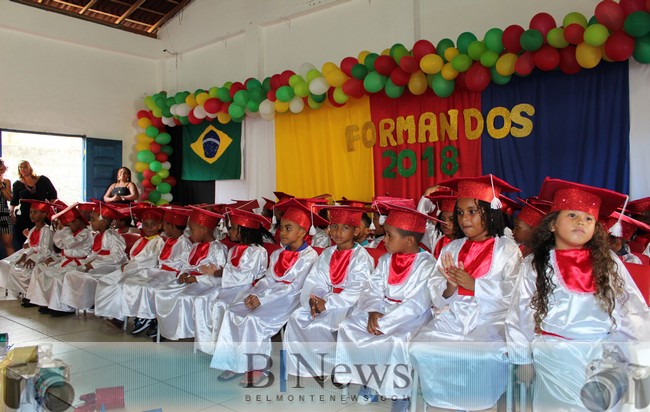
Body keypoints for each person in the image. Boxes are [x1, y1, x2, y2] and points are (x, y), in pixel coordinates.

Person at [505, 178, 650, 411]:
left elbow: (630, 309)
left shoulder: (609, 263)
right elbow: (521, 312)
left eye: (588, 218)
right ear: (552, 224)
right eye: (572, 215)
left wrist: (634, 354)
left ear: (596, 229)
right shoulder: (537, 264)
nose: (581, 221)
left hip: (602, 356)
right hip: (555, 357)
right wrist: (523, 358)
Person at [409, 174, 522, 412]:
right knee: (421, 345)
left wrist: (475, 285)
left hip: (491, 318)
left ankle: (476, 402)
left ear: (490, 212)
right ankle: (444, 399)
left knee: (479, 353)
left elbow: (515, 293)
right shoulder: (452, 247)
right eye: (460, 213)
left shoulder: (507, 249)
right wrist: (449, 286)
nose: (464, 219)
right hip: (456, 313)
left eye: (472, 211)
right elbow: (437, 287)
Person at [334, 203, 436, 412]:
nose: (384, 240)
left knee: (397, 341)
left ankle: (401, 394)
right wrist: (372, 312)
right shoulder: (385, 259)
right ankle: (369, 382)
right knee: (349, 327)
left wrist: (385, 321)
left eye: (389, 235)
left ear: (409, 240)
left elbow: (417, 303)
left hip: (410, 317)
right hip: (379, 309)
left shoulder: (426, 264)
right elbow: (372, 289)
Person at [210, 198, 322, 386]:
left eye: (288, 228)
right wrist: (255, 295)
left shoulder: (309, 256)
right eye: (281, 227)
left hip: (289, 299)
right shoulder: (278, 253)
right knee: (233, 312)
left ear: (303, 232)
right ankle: (233, 361)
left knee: (255, 320)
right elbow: (268, 279)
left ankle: (258, 367)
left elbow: (294, 287)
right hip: (268, 295)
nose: (281, 232)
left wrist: (263, 299)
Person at [284, 205, 375, 380]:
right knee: (297, 317)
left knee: (331, 324)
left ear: (355, 231)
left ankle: (338, 366)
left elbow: (357, 288)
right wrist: (315, 299)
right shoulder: (327, 253)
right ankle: (314, 364)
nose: (338, 232)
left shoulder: (361, 257)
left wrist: (328, 303)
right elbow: (316, 279)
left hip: (350, 303)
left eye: (345, 228)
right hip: (325, 299)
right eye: (334, 226)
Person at [194, 208, 271, 355]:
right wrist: (218, 271)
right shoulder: (234, 249)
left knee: (219, 304)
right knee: (202, 299)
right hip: (229, 286)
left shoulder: (258, 251)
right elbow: (230, 269)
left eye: (234, 228)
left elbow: (246, 275)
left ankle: (221, 349)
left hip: (245, 288)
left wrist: (218, 272)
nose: (229, 231)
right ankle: (206, 345)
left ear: (245, 231)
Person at [153, 206, 228, 341]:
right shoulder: (194, 246)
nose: (189, 234)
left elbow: (220, 276)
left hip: (208, 284)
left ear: (204, 229)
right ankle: (168, 328)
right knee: (161, 292)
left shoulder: (218, 249)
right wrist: (184, 273)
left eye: (192, 230)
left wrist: (197, 279)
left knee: (183, 298)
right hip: (191, 281)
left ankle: (185, 330)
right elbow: (188, 265)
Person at [120, 206, 193, 337]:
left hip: (173, 275)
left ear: (171, 226)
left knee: (147, 286)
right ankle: (141, 314)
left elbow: (185, 265)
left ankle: (148, 317)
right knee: (132, 281)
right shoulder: (169, 240)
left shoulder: (184, 243)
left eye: (165, 224)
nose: (163, 227)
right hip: (161, 271)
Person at [94, 205, 165, 322]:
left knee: (120, 284)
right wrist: (126, 264)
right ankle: (109, 312)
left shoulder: (158, 242)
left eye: (152, 224)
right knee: (106, 280)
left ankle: (119, 317)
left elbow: (150, 261)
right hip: (131, 268)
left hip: (143, 272)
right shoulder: (141, 240)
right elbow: (132, 257)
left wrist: (129, 266)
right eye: (145, 224)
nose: (148, 227)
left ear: (159, 226)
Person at [25, 203, 93, 316]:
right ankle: (47, 303)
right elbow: (60, 244)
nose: (67, 228)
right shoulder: (72, 232)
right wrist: (60, 230)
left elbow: (73, 245)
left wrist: (65, 236)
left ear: (76, 221)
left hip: (78, 263)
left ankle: (63, 307)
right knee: (45, 274)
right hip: (66, 261)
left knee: (58, 278)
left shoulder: (85, 233)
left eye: (68, 224)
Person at [59, 202, 127, 311]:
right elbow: (95, 254)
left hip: (111, 267)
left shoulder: (113, 236)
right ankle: (71, 305)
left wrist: (94, 264)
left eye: (93, 219)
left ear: (103, 221)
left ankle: (86, 303)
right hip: (98, 265)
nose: (90, 222)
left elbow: (117, 257)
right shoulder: (97, 235)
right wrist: (86, 263)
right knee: (70, 274)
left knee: (81, 276)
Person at [0, 200, 55, 303]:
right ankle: (21, 292)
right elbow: (28, 244)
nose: (31, 215)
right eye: (30, 212)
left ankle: (30, 295)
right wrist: (26, 248)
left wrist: (31, 257)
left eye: (35, 212)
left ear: (43, 214)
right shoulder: (33, 229)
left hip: (41, 257)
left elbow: (45, 250)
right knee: (10, 264)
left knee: (24, 270)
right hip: (29, 253)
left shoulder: (46, 230)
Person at [10, 160, 58, 250]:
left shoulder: (43, 179)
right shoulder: (17, 184)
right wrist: (11, 213)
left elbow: (53, 194)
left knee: (43, 238)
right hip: (25, 216)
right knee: (25, 240)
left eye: (25, 167)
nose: (23, 169)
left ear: (30, 167)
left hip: (41, 214)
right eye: (20, 167)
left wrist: (49, 208)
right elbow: (14, 201)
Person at [0, 159, 14, 257]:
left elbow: (9, 198)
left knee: (8, 242)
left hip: (4, 214)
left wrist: (1, 186)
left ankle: (10, 268)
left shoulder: (6, 182)